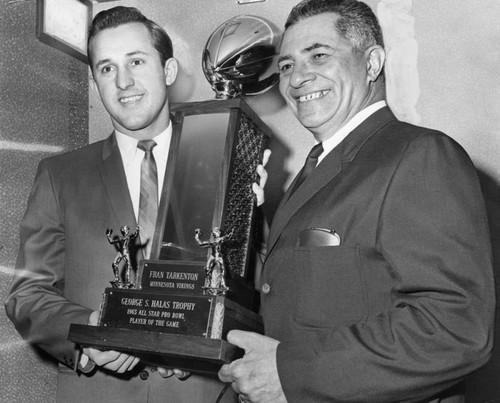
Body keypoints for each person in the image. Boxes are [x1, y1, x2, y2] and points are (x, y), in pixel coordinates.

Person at [218, 1, 495, 402]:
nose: (297, 78)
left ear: (371, 63)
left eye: (318, 55)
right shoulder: (315, 171)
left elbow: (457, 328)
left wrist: (290, 373)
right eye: (287, 66)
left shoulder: (418, 155)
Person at [5, 6, 268, 403]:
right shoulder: (60, 175)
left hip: (202, 393)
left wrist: (253, 222)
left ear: (168, 71)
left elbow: (260, 289)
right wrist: (88, 332)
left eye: (136, 61)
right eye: (107, 69)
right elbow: (26, 295)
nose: (123, 81)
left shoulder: (222, 157)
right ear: (95, 84)